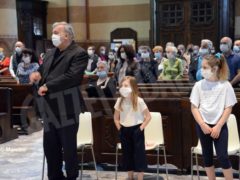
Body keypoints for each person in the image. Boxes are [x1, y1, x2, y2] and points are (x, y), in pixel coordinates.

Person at [29, 21, 88, 180]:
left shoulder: (79, 53)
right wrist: (37, 76)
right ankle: (55, 177)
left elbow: (72, 77)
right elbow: (43, 72)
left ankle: (71, 177)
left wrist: (48, 86)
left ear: (67, 35)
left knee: (68, 149)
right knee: (50, 148)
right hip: (49, 108)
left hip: (67, 107)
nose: (52, 35)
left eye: (56, 32)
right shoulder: (50, 53)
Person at [190, 53, 237, 180]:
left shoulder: (225, 85)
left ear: (215, 68)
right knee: (207, 156)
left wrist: (218, 126)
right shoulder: (198, 85)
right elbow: (194, 107)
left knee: (223, 156)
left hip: (219, 126)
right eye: (202, 67)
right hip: (203, 125)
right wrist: (202, 124)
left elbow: (228, 108)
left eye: (204, 67)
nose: (201, 70)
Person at [114, 76, 151, 180]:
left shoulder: (139, 101)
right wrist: (120, 129)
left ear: (133, 87)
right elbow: (116, 118)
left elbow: (148, 117)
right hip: (124, 130)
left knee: (139, 155)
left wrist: (140, 129)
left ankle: (140, 177)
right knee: (127, 154)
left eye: (126, 85)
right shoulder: (119, 101)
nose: (122, 88)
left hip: (137, 130)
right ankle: (130, 177)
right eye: (121, 86)